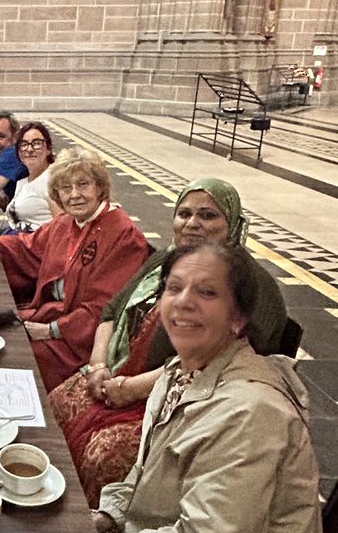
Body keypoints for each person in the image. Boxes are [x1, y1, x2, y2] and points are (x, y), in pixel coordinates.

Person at [93, 242, 334, 533]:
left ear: (239, 318)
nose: (183, 302)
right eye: (174, 288)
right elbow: (143, 475)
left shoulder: (251, 414)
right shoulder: (179, 374)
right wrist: (107, 517)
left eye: (206, 292)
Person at [50, 178, 288, 507]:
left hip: (182, 402)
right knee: (58, 401)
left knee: (103, 454)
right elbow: (111, 311)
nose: (192, 223)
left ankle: (90, 532)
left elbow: (214, 365)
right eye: (184, 213)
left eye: (207, 215)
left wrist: (132, 387)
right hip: (121, 377)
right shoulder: (165, 260)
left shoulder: (250, 283)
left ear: (232, 223)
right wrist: (99, 365)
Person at [0, 147, 150, 391]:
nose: (74, 195)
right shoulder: (66, 222)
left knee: (7, 357)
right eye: (66, 188)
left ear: (100, 187)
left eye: (83, 184)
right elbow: (28, 246)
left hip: (79, 342)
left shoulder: (124, 236)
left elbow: (105, 309)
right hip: (47, 316)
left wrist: (50, 330)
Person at [1, 121, 58, 231]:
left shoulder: (53, 181)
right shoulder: (23, 182)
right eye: (24, 144)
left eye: (37, 143)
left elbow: (62, 227)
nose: (30, 149)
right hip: (14, 240)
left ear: (48, 149)